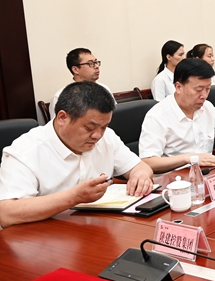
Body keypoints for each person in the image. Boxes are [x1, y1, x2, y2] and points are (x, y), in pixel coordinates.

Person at [0, 82, 154, 229]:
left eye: (104, 127)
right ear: (62, 118)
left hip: (97, 229)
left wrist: (140, 176)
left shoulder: (107, 137)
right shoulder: (25, 151)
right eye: (89, 128)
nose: (98, 135)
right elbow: (7, 214)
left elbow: (140, 167)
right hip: (44, 237)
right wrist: (74, 197)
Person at [139, 58, 215, 173]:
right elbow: (148, 161)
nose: (204, 95)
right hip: (176, 179)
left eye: (208, 89)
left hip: (208, 174)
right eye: (199, 90)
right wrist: (189, 158)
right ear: (178, 87)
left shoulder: (207, 107)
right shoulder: (157, 116)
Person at [50, 48, 113, 113]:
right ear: (75, 69)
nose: (96, 66)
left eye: (96, 62)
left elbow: (114, 115)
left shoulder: (104, 89)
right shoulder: (60, 96)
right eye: (90, 63)